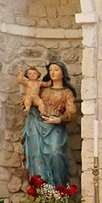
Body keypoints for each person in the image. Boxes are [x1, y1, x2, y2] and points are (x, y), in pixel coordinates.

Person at [22, 60, 78, 190]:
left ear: (63, 73)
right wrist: (27, 102)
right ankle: (41, 190)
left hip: (55, 127)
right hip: (36, 123)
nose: (52, 72)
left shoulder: (66, 93)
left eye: (56, 70)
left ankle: (58, 189)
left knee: (55, 153)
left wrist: (58, 120)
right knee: (36, 155)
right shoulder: (43, 90)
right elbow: (32, 97)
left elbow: (71, 112)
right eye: (51, 70)